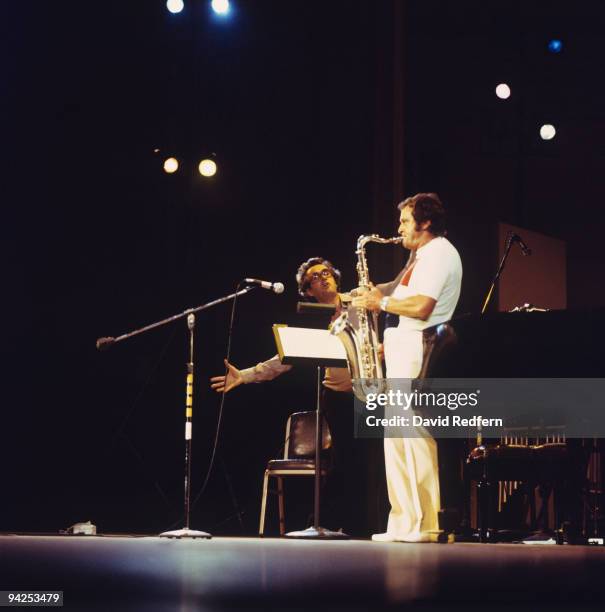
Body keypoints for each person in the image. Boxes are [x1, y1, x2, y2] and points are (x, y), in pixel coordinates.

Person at [210, 257, 368, 535]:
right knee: (346, 461)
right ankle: (330, 524)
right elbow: (283, 359)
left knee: (369, 461)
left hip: (373, 390)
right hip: (339, 396)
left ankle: (365, 524)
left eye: (326, 272)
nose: (323, 277)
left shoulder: (360, 299)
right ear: (308, 290)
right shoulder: (312, 317)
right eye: (315, 277)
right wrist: (245, 375)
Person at [352, 193, 462, 542]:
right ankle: (402, 522)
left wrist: (381, 301)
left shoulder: (439, 253)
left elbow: (423, 306)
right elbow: (401, 295)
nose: (398, 229)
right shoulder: (420, 256)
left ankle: (425, 524)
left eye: (404, 221)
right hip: (404, 346)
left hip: (419, 347)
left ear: (425, 222)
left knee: (414, 439)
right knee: (396, 442)